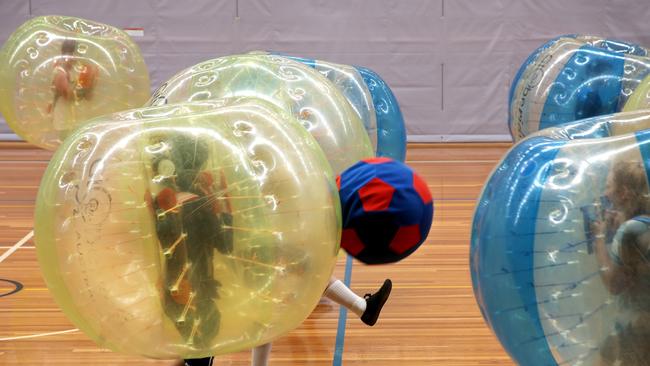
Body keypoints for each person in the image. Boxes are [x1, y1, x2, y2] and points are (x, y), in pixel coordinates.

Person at [590, 160, 650, 365]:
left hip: (639, 327)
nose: (605, 194)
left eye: (608, 186)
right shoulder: (643, 222)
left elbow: (614, 284)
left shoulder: (630, 231)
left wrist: (598, 238)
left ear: (623, 192)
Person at [47, 38, 98, 129]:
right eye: (71, 54)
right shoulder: (60, 72)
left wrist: (92, 80)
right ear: (64, 54)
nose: (74, 57)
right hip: (64, 118)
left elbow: (88, 97)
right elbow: (68, 96)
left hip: (79, 117)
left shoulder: (79, 70)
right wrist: (86, 81)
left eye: (77, 54)